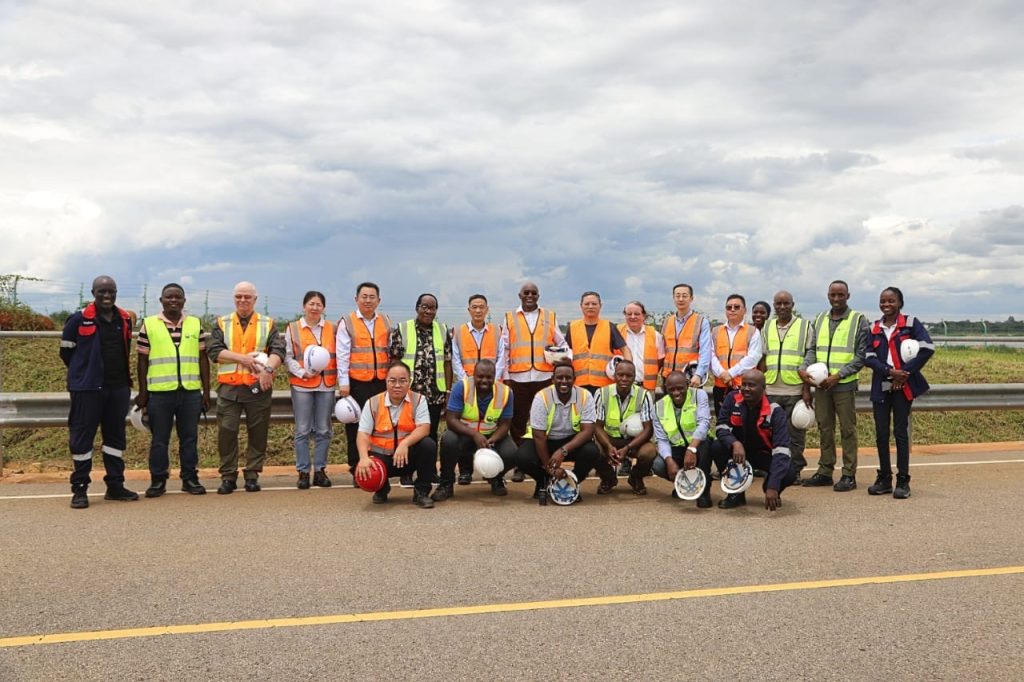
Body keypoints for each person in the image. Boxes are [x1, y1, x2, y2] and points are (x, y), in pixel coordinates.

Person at [60, 275, 139, 508]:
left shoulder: (124, 319)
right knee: (82, 438)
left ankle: (115, 486)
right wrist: (84, 374)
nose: (107, 295)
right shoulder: (78, 320)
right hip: (88, 389)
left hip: (118, 388)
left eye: (111, 291)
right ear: (93, 293)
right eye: (102, 291)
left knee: (115, 438)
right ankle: (80, 489)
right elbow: (66, 353)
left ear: (116, 293)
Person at [207, 281, 285, 494]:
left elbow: (278, 350)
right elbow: (214, 351)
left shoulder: (267, 323)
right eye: (239, 296)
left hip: (258, 387)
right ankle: (228, 476)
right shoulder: (222, 323)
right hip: (229, 388)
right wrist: (243, 359)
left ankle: (252, 475)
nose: (243, 300)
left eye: (247, 297)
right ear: (234, 298)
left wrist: (268, 370)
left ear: (255, 299)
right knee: (227, 431)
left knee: (258, 432)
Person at [135, 283, 211, 498]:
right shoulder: (149, 324)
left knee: (189, 438)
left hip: (190, 392)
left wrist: (206, 391)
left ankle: (190, 478)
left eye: (178, 297)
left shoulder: (195, 324)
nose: (173, 300)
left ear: (184, 301)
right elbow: (142, 361)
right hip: (160, 393)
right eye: (169, 297)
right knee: (160, 439)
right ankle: (158, 480)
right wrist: (143, 392)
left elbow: (203, 359)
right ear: (161, 300)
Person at [864, 287, 935, 499]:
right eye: (883, 301)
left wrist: (904, 373)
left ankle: (903, 480)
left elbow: (927, 348)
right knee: (881, 433)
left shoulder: (911, 323)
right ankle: (884, 478)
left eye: (891, 300)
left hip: (904, 385)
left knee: (901, 433)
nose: (886, 304)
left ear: (900, 303)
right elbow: (868, 356)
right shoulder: (874, 327)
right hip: (881, 385)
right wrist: (889, 372)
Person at [799, 280, 869, 492]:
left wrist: (839, 376)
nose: (836, 299)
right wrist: (804, 368)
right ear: (828, 296)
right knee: (825, 428)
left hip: (843, 385)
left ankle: (848, 475)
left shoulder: (858, 320)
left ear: (848, 296)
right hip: (821, 386)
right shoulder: (820, 318)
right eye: (833, 295)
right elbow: (812, 349)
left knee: (847, 430)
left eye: (841, 295)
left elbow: (861, 356)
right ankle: (825, 471)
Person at [513, 360, 612, 503]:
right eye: (559, 377)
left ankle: (572, 482)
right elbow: (539, 436)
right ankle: (543, 480)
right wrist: (550, 469)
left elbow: (588, 431)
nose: (564, 381)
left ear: (574, 379)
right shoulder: (541, 397)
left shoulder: (585, 396)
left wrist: (563, 450)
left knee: (592, 452)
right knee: (522, 457)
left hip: (571, 441)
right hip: (545, 441)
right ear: (553, 379)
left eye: (568, 378)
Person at [502, 282, 568, 482]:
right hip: (518, 377)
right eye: (526, 293)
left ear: (538, 296)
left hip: (543, 377)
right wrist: (505, 376)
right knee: (518, 422)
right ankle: (521, 465)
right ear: (519, 295)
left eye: (533, 293)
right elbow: (504, 349)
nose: (529, 296)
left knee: (544, 421)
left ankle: (543, 460)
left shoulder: (549, 316)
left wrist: (561, 358)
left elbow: (562, 343)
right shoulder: (509, 317)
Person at [711, 370, 798, 511]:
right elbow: (721, 427)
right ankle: (736, 494)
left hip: (763, 454)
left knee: (789, 472)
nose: (746, 389)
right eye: (744, 384)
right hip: (739, 454)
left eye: (751, 385)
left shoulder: (775, 411)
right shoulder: (732, 399)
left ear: (763, 388)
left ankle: (770, 488)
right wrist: (734, 443)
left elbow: (781, 450)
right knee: (717, 447)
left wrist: (773, 486)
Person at [354, 362, 437, 508]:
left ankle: (421, 492)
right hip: (382, 460)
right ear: (386, 381)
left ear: (409, 381)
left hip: (407, 458)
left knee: (428, 445)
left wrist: (405, 444)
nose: (397, 385)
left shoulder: (418, 400)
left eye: (402, 381)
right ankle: (381, 488)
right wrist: (363, 458)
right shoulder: (372, 402)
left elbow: (424, 428)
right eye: (392, 380)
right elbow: (363, 434)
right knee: (366, 458)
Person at [337, 282, 395, 481]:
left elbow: (390, 350)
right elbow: (342, 354)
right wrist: (343, 383)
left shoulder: (385, 321)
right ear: (356, 299)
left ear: (378, 300)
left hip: (381, 382)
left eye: (372, 297)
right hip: (357, 383)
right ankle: (356, 467)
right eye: (364, 296)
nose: (368, 300)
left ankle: (378, 465)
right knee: (357, 426)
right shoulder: (347, 322)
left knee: (380, 425)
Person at [435, 359, 516, 500]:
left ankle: (496, 478)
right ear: (473, 375)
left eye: (489, 377)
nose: (484, 380)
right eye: (480, 376)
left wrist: (493, 439)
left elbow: (505, 425)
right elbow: (451, 420)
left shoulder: (506, 392)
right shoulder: (461, 387)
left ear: (495, 376)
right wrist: (474, 434)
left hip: (491, 436)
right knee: (448, 440)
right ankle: (446, 484)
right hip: (465, 435)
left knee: (511, 452)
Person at [632, 368, 713, 504]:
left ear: (687, 384)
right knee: (658, 464)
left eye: (680, 388)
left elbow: (704, 423)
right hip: (677, 447)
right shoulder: (658, 407)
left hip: (698, 444)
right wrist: (669, 461)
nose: (676, 393)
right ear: (665, 388)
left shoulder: (699, 395)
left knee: (706, 447)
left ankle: (704, 491)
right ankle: (684, 483)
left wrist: (691, 449)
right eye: (671, 389)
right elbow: (662, 440)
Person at [285, 291, 336, 490]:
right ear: (304, 306)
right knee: (303, 430)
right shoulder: (293, 328)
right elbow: (287, 356)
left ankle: (320, 470)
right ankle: (303, 471)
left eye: (318, 304)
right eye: (311, 304)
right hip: (302, 385)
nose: (314, 308)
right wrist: (301, 372)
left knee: (324, 429)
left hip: (326, 384)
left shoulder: (332, 328)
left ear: (323, 308)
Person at [761, 290, 815, 482]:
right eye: (778, 304)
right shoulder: (767, 326)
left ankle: (795, 470)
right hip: (771, 388)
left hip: (795, 389)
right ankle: (774, 469)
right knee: (771, 432)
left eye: (786, 303)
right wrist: (762, 387)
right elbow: (763, 357)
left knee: (795, 432)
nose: (782, 307)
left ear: (793, 305)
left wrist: (806, 389)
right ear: (774, 306)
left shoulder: (804, 326)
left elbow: (810, 356)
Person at [394, 293, 452, 443]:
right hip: (409, 393)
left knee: (430, 434)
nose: (428, 311)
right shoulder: (403, 329)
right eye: (424, 307)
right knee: (406, 432)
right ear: (417, 308)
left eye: (432, 308)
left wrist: (448, 391)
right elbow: (394, 361)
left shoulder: (443, 330)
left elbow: (447, 362)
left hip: (434, 395)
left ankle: (429, 459)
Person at [592, 359, 656, 493]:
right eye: (620, 375)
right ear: (614, 375)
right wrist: (608, 446)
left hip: (634, 441)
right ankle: (608, 478)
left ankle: (636, 477)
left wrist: (627, 448)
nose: (624, 379)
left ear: (634, 377)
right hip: (609, 439)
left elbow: (648, 429)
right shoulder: (602, 394)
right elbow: (597, 427)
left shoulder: (643, 395)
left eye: (629, 375)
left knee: (649, 452)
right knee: (592, 450)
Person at [564, 291, 631, 392]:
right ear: (581, 306)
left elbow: (625, 349)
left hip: (604, 385)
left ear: (600, 306)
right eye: (587, 304)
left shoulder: (609, 327)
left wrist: (628, 369)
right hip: (578, 383)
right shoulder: (572, 327)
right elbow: (565, 352)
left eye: (594, 304)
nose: (590, 307)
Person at [711, 294, 764, 417]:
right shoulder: (715, 331)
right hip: (721, 385)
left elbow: (753, 357)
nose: (732, 310)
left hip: (745, 386)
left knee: (744, 421)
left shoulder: (752, 331)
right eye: (729, 307)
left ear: (744, 310)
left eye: (736, 307)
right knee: (722, 420)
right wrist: (722, 374)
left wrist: (731, 373)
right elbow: (711, 356)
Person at [661, 283, 712, 388]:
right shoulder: (667, 321)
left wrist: (698, 374)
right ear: (673, 298)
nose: (681, 299)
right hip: (668, 377)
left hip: (690, 377)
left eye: (684, 296)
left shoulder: (701, 322)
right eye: (677, 296)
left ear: (691, 298)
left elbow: (705, 351)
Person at [452, 294, 505, 382]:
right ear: (469, 310)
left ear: (487, 309)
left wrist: (493, 379)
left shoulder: (497, 331)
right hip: (467, 381)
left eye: (481, 307)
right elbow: (455, 360)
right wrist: (466, 381)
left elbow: (501, 358)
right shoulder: (459, 331)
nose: (478, 310)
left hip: (491, 381)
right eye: (474, 307)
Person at [618, 300, 664, 392]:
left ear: (643, 316)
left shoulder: (655, 335)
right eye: (629, 314)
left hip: (646, 388)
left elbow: (660, 360)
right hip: (620, 387)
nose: (633, 317)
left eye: (637, 314)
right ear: (625, 315)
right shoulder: (617, 332)